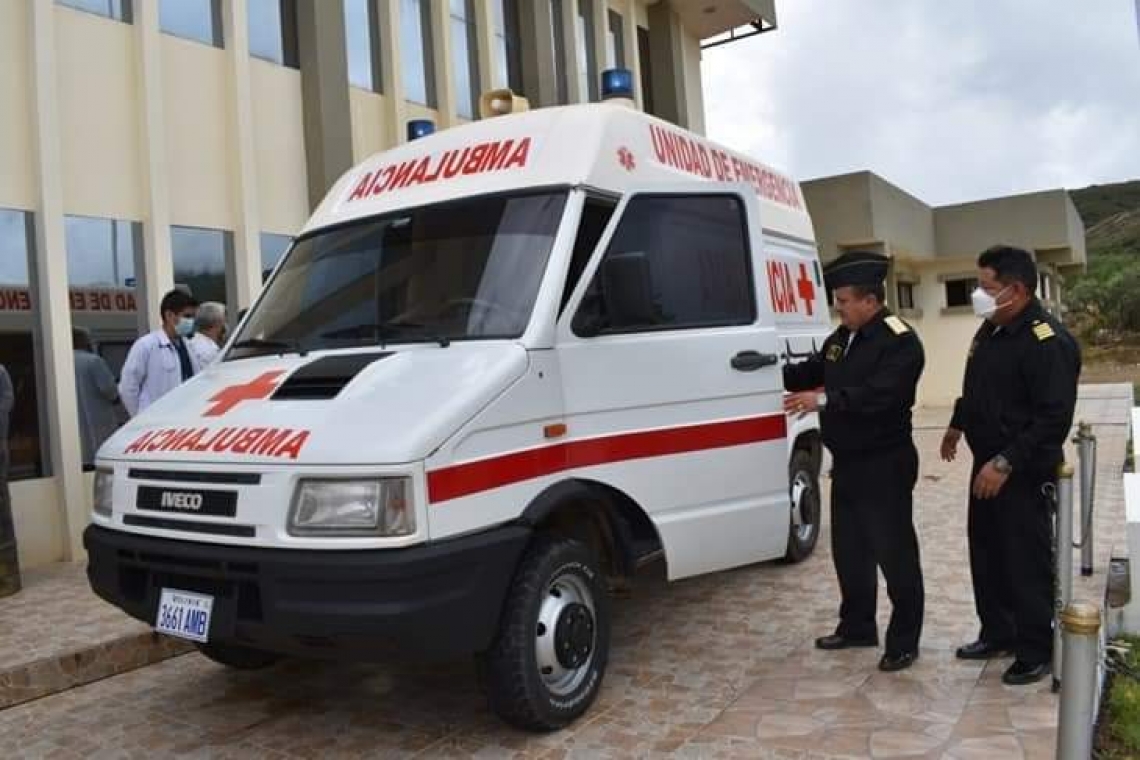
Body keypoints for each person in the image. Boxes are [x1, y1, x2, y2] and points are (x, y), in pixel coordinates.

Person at [942, 245, 1081, 686]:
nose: (978, 296)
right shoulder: (991, 330)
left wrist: (1005, 462)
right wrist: (956, 425)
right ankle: (998, 633)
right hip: (987, 464)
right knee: (987, 553)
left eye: (986, 287)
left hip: (1022, 472)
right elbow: (976, 386)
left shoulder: (1047, 341)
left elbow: (1053, 418)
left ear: (1016, 290)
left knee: (1025, 560)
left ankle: (1035, 649)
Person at [783, 250, 926, 672]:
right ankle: (858, 626)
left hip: (885, 463)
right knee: (851, 552)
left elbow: (882, 396)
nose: (838, 308)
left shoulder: (900, 341)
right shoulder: (840, 339)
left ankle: (903, 641)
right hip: (847, 463)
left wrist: (822, 399)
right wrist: (759, 365)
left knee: (894, 553)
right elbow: (809, 371)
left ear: (869, 300)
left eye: (844, 301)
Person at [118, 289, 201, 417]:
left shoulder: (189, 346)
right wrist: (141, 418)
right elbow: (128, 387)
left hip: (185, 418)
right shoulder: (146, 345)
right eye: (187, 316)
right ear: (169, 315)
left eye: (193, 317)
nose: (191, 322)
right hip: (155, 422)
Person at [72, 328, 122, 469]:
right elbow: (109, 390)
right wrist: (117, 398)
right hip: (97, 427)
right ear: (84, 341)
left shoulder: (60, 362)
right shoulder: (93, 361)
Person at [189, 301, 226, 367]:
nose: (225, 325)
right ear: (217, 323)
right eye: (224, 321)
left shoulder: (192, 343)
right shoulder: (209, 351)